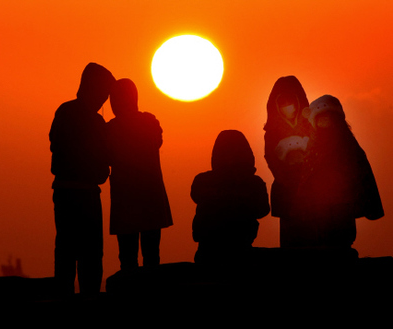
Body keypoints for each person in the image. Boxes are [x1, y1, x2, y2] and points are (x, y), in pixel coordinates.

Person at [49, 63, 115, 296]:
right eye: (104, 93)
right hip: (81, 193)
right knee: (88, 253)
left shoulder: (65, 112)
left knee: (69, 250)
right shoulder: (89, 120)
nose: (105, 100)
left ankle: (66, 295)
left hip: (71, 192)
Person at [293, 95, 383, 249]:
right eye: (321, 120)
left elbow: (362, 171)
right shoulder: (314, 146)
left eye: (328, 119)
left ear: (337, 120)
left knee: (342, 239)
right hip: (319, 204)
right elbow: (306, 175)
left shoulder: (347, 144)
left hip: (342, 203)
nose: (324, 123)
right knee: (322, 239)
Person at [105, 78, 173, 271]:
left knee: (127, 259)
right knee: (152, 256)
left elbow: (107, 156)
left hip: (125, 200)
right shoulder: (150, 122)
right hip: (150, 198)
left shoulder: (111, 129)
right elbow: (157, 142)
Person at [191, 130, 270, 262]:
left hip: (236, 248)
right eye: (226, 151)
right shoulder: (204, 181)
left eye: (235, 151)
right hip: (211, 249)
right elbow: (262, 209)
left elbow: (262, 209)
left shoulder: (253, 183)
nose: (231, 157)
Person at [263, 76, 312, 248]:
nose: (287, 106)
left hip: (312, 189)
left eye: (290, 101)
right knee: (290, 241)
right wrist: (284, 177)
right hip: (286, 191)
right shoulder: (271, 132)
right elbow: (269, 157)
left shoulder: (311, 125)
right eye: (282, 102)